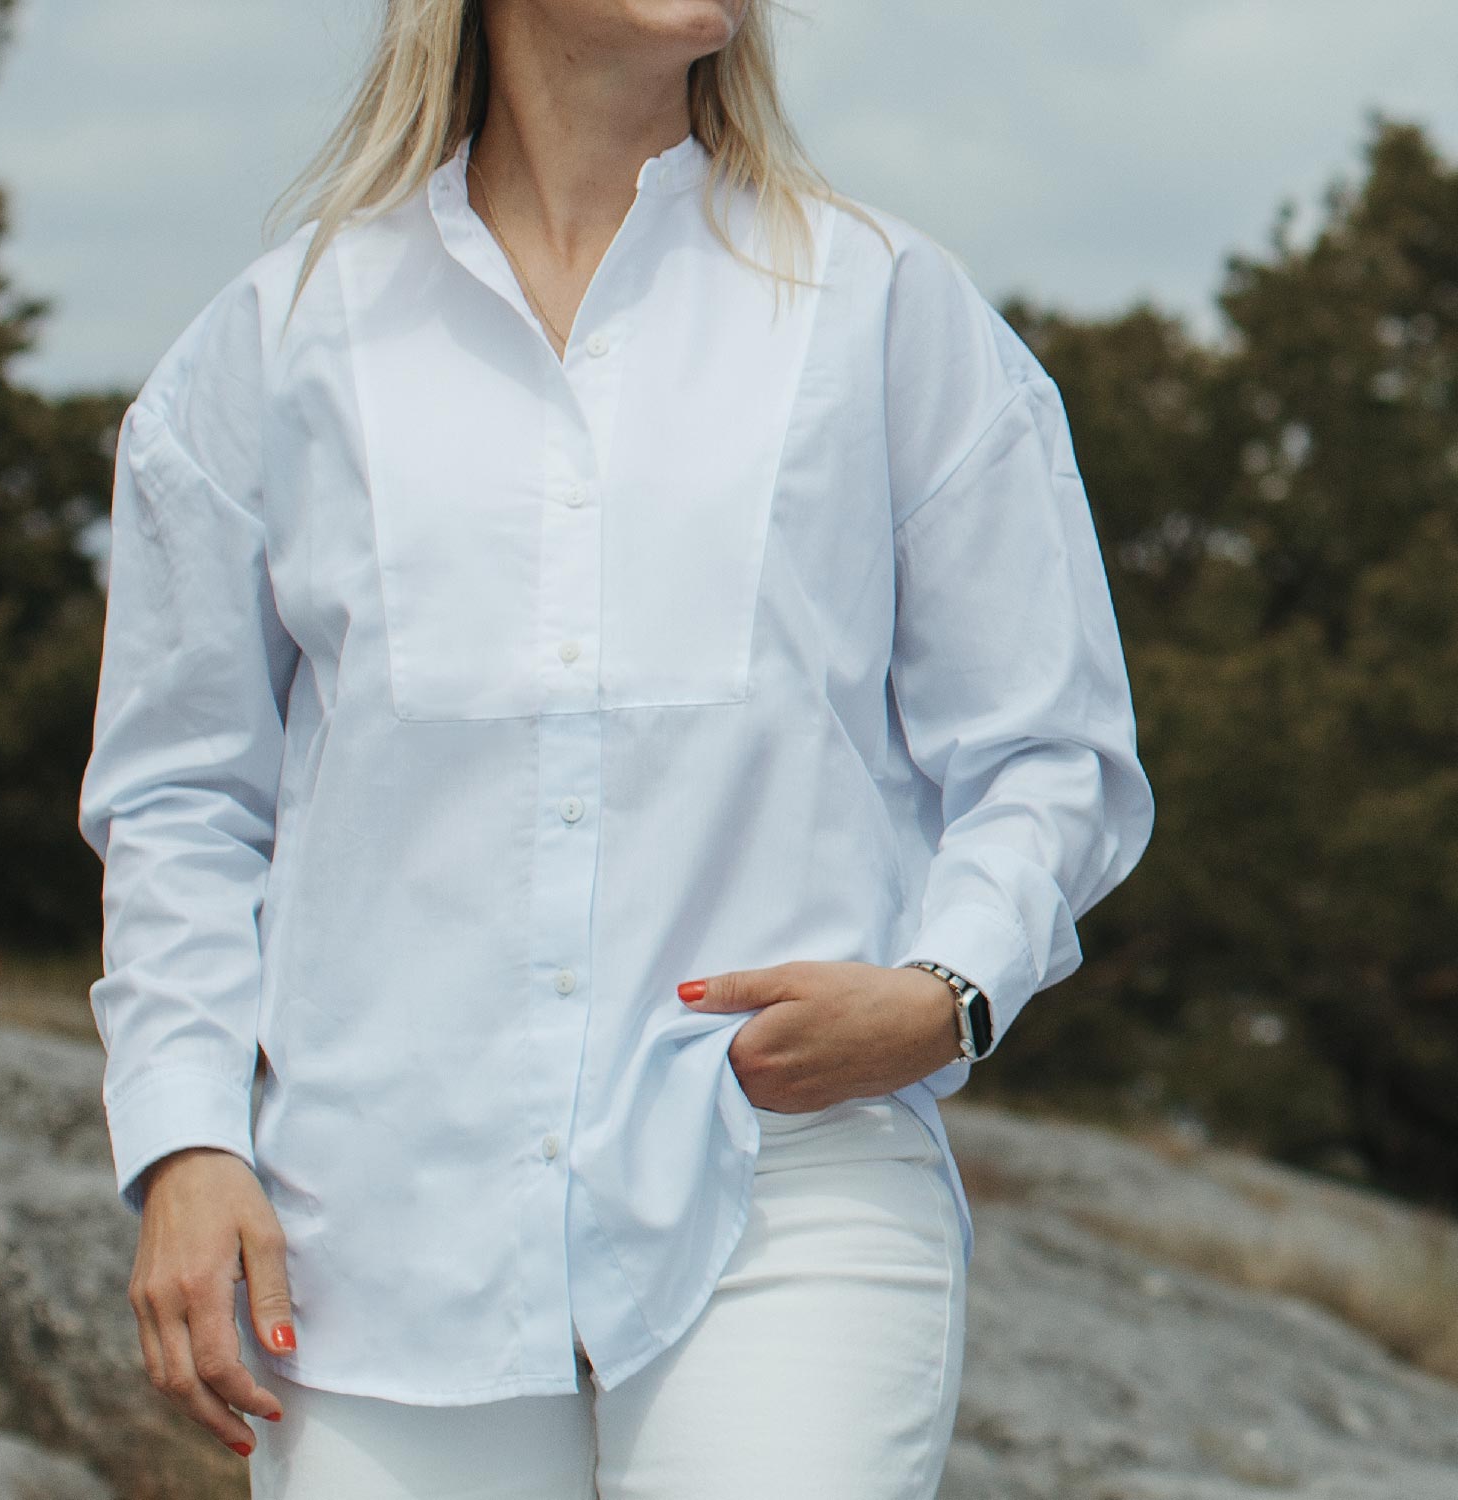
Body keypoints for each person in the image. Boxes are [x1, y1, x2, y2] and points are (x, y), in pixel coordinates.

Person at [75, 0, 1156, 1495]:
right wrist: (188, 1141)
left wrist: (948, 991)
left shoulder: (881, 306)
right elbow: (184, 803)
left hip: (782, 1174)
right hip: (373, 1233)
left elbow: (1048, 746)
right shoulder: (277, 343)